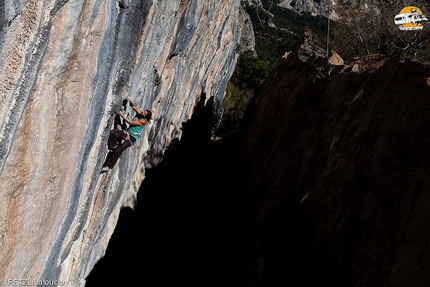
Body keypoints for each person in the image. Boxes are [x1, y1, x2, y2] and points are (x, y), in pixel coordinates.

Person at [101, 98, 152, 173]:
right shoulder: (139, 113)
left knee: (118, 151)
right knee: (111, 133)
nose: (142, 112)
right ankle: (114, 146)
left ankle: (107, 167)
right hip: (127, 133)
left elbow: (131, 123)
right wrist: (131, 101)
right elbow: (133, 106)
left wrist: (122, 115)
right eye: (144, 111)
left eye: (144, 113)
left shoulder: (143, 121)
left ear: (145, 116)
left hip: (132, 138)